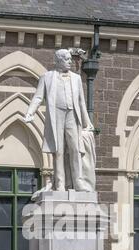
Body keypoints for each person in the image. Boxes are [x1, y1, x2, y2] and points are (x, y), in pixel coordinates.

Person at [24, 49, 95, 192]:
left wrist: (87, 122)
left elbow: (81, 102)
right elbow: (38, 97)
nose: (70, 61)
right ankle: (60, 184)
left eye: (70, 59)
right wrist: (30, 112)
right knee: (58, 150)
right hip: (56, 116)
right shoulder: (47, 77)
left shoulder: (76, 78)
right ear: (58, 61)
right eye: (66, 59)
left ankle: (78, 182)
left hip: (72, 116)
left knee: (75, 148)